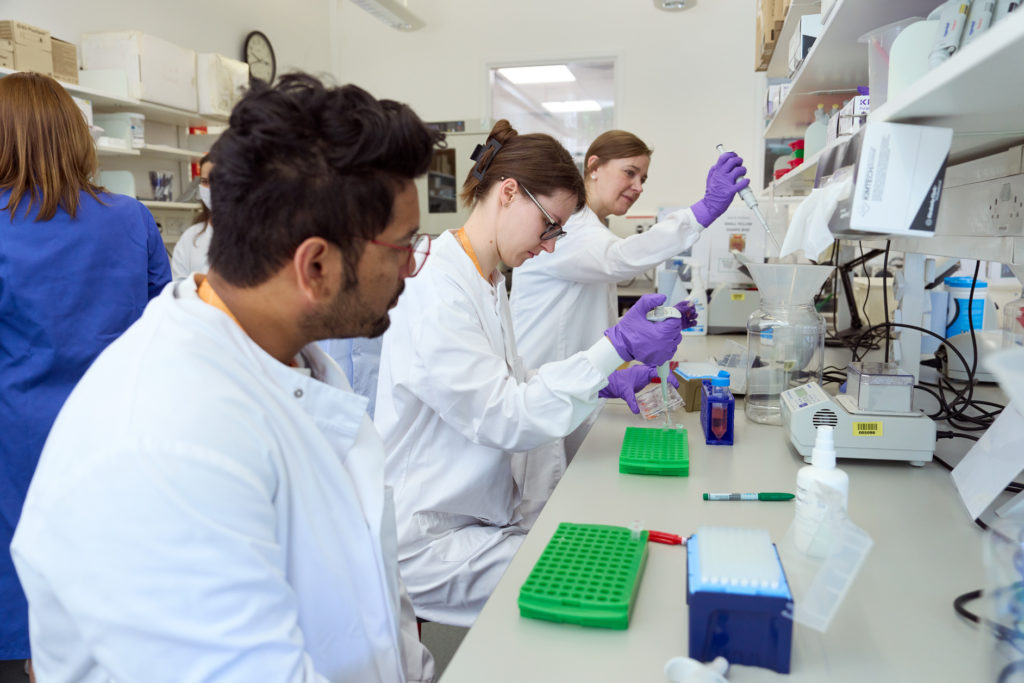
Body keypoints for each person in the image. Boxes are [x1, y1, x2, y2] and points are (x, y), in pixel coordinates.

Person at [12, 74, 442, 682]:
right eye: (403, 247)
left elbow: (372, 596)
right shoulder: (166, 440)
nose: (411, 269)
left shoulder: (290, 362)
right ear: (315, 265)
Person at [374, 120, 693, 628]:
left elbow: (515, 379)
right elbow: (503, 416)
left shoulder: (486, 277)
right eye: (548, 227)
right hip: (428, 541)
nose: (549, 246)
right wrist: (611, 350)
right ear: (507, 193)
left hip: (474, 519)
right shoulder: (437, 287)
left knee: (609, 558)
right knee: (594, 583)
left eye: (558, 233)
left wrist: (603, 379)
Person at [0, 72, 171, 682]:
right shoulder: (129, 219)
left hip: (14, 452)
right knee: (108, 610)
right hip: (113, 443)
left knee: (22, 605)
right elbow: (169, 330)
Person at [510, 130, 749, 369]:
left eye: (642, 179)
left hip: (570, 382)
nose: (638, 187)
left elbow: (589, 316)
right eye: (629, 173)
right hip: (540, 382)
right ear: (594, 167)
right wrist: (703, 210)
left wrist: (646, 325)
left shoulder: (592, 229)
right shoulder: (566, 225)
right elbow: (619, 258)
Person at [170, 153, 215, 279]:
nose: (211, 188)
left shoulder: (255, 235)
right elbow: (178, 289)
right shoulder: (191, 237)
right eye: (205, 182)